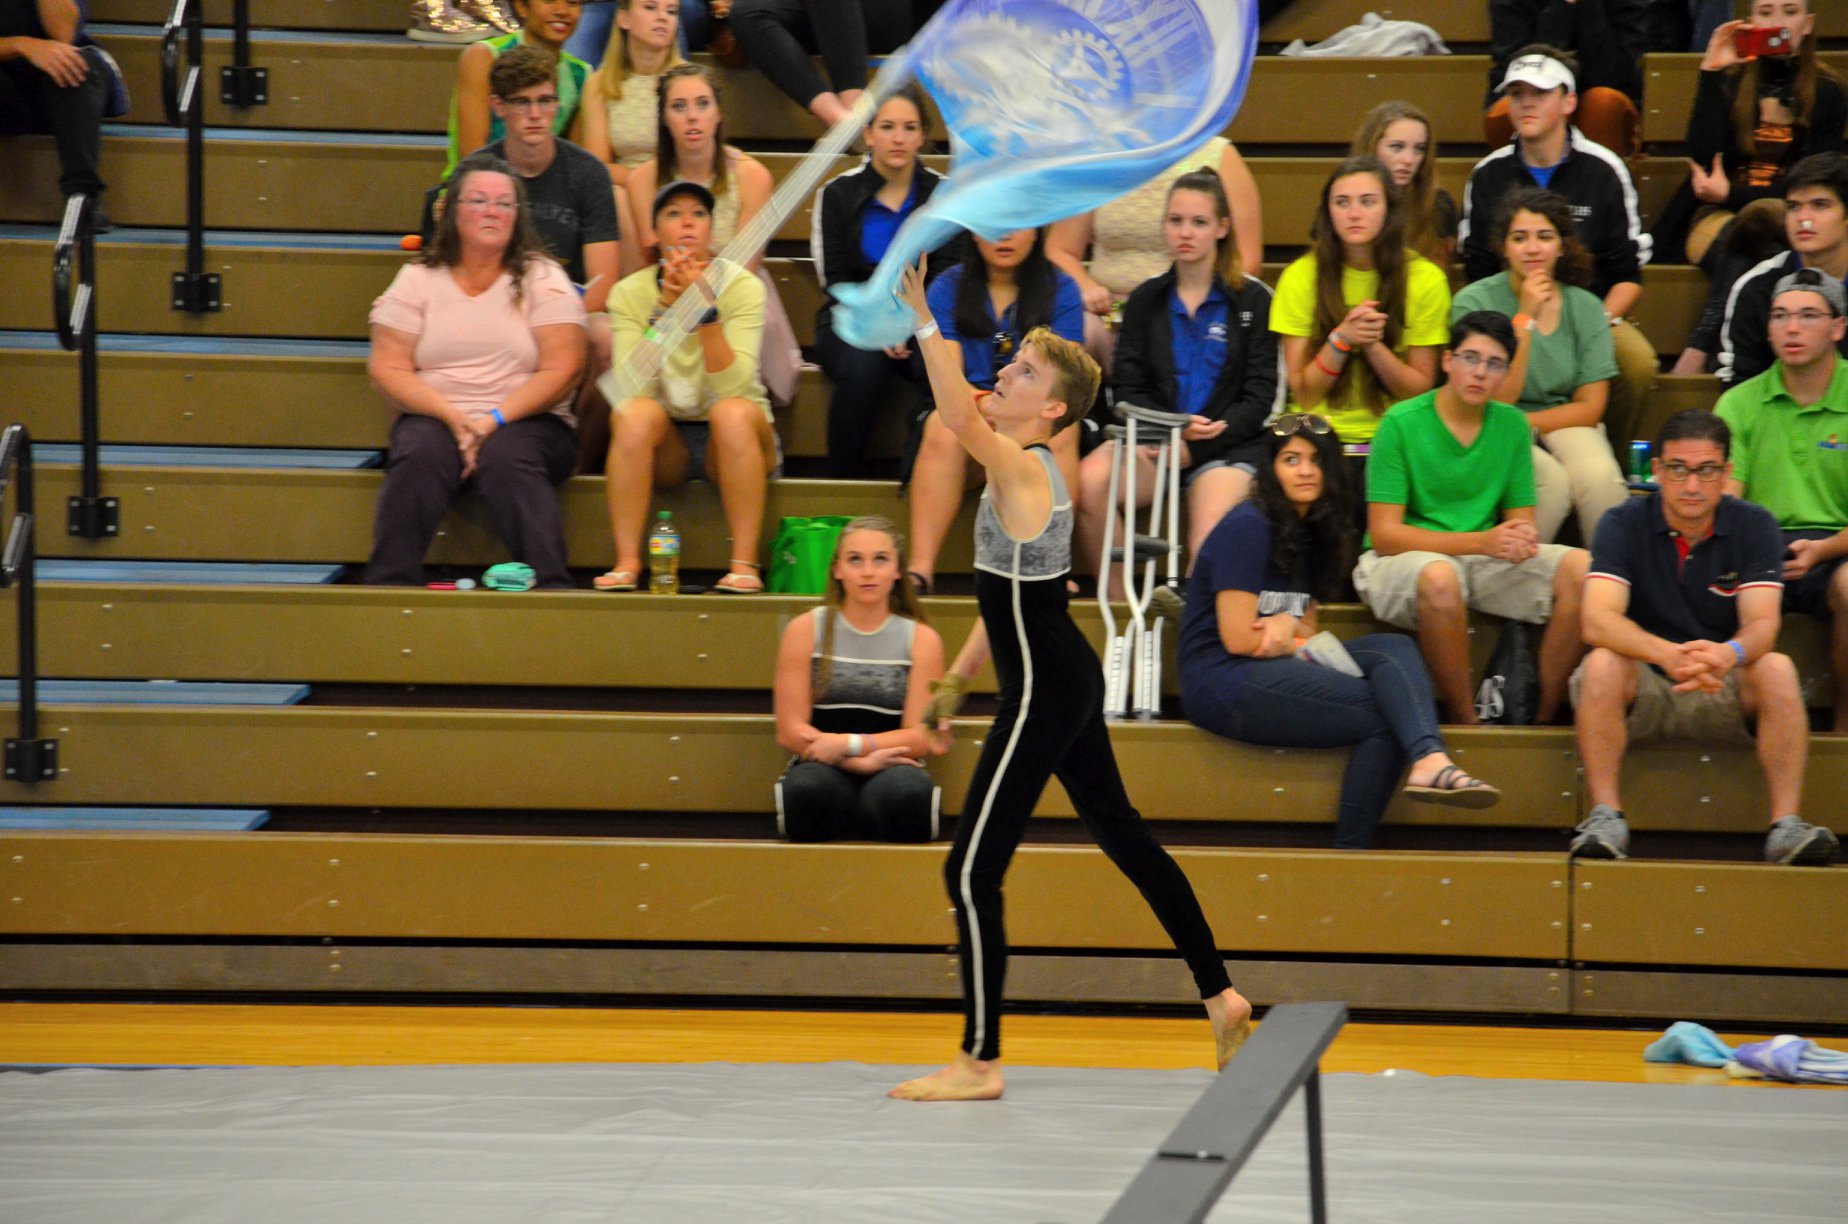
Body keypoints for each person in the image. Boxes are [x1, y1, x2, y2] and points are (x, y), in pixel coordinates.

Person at [887, 264, 1251, 1102]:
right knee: (1125, 839)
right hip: (1060, 675)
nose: (1004, 374)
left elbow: (952, 413)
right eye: (1011, 364)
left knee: (970, 872)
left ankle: (979, 1061)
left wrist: (922, 318)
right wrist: (957, 683)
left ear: (1053, 411)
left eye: (1022, 373)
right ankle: (1222, 996)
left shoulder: (1022, 468)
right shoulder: (1019, 471)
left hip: (1047, 691)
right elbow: (1014, 598)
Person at [1182, 415, 1500, 848]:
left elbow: (1305, 627)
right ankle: (1352, 850)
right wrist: (1287, 629)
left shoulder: (1314, 532)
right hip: (1222, 680)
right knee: (1390, 714)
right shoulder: (1249, 526)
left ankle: (1429, 758)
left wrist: (1285, 628)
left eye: (1316, 460)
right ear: (1271, 469)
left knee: (1391, 648)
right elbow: (1239, 639)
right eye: (1291, 460)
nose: (1306, 471)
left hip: (1272, 664)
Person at [1571, 409, 1840, 865]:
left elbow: (1763, 626)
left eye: (1707, 470)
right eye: (1678, 470)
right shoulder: (1621, 522)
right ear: (1657, 471)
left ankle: (1786, 826)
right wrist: (1665, 654)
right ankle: (1604, 818)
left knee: (1777, 666)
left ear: (1726, 473)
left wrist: (1727, 654)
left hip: (1723, 679)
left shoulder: (1755, 524)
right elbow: (1597, 620)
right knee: (1600, 663)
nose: (1692, 485)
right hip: (1647, 679)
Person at [1355, 312, 1591, 725]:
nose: (1480, 372)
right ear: (1447, 360)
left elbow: (1520, 521)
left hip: (1479, 558)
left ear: (1506, 374)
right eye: (1470, 358)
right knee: (1440, 577)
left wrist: (1519, 539)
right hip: (1401, 561)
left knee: (1583, 571)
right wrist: (1482, 542)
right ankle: (1467, 723)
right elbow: (1385, 535)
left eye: (1495, 364)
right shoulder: (1400, 422)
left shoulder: (1512, 425)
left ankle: (1541, 719)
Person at [366, 153, 589, 589]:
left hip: (531, 420)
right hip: (436, 416)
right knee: (419, 451)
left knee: (507, 456)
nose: (492, 211)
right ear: (453, 211)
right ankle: (389, 587)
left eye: (505, 204)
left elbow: (564, 369)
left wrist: (492, 421)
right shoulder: (418, 277)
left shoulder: (543, 276)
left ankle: (551, 589)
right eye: (479, 201)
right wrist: (453, 418)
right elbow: (386, 366)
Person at [1077, 169, 1280, 588]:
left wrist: (1195, 446)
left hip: (1228, 447)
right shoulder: (1145, 299)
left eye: (1199, 222)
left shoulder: (1254, 298)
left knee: (1208, 533)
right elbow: (1126, 391)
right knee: (1088, 482)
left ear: (1222, 227)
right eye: (1176, 221)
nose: (1185, 233)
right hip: (1156, 442)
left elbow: (1262, 398)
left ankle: (1191, 622)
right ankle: (1121, 607)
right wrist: (1170, 431)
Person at [1460, 47, 1656, 456]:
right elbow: (1478, 268)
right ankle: (1485, 446)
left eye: (1540, 92)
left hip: (1591, 311)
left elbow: (1627, 274)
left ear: (1569, 102)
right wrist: (1516, 319)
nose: (1526, 103)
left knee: (1637, 361)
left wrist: (1594, 324)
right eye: (1517, 93)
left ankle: (1611, 454)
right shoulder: (1488, 174)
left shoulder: (1604, 169)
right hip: (1506, 308)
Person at [596, 179, 773, 593]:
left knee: (731, 413)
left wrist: (705, 313)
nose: (688, 223)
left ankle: (744, 564)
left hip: (737, 435)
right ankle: (627, 562)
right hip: (667, 441)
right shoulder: (628, 293)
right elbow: (631, 390)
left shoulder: (744, 287)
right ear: (655, 233)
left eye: (698, 214)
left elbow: (734, 387)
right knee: (633, 414)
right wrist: (664, 311)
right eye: (674, 214)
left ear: (711, 229)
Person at [904, 226, 1086, 593]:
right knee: (944, 425)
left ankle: (1053, 564)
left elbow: (1064, 381)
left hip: (1029, 422)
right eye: (994, 225)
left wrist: (1011, 410)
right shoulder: (948, 286)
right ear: (974, 232)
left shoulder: (1061, 287)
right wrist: (987, 405)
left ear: (1037, 231)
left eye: (1016, 224)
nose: (1004, 236)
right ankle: (920, 569)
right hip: (966, 409)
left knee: (1065, 430)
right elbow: (949, 376)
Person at [1453, 188, 1626, 544]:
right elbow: (1496, 401)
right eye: (1520, 238)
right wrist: (1525, 317)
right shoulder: (1474, 301)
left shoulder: (1585, 306)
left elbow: (1591, 407)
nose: (1532, 249)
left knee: (1601, 478)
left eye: (1544, 237)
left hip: (1563, 419)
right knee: (1550, 482)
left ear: (1562, 246)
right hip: (1489, 423)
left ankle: (1607, 574)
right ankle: (1518, 571)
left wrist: (1527, 423)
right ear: (1504, 247)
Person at [1717, 269, 1848, 732]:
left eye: (1808, 315)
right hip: (1757, 544)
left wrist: (1824, 549)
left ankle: (1845, 729)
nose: (1792, 328)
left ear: (1838, 327)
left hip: (1838, 547)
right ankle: (1728, 725)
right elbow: (1725, 506)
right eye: (1780, 316)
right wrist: (1759, 556)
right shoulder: (1738, 403)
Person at [624, 62, 799, 406]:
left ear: (718, 113)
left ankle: (740, 408)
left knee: (747, 314)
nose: (692, 116)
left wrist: (697, 283)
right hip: (665, 292)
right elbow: (648, 264)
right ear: (664, 118)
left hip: (732, 293)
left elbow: (744, 269)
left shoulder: (752, 176)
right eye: (679, 106)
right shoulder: (641, 180)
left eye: (702, 104)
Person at [1271, 155, 1450, 480]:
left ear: (1390, 209)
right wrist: (1341, 340)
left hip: (1395, 437)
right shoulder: (1299, 277)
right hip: (1317, 438)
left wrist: (1371, 345)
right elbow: (1305, 393)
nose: (1354, 213)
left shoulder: (1426, 279)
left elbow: (1418, 393)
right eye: (1342, 202)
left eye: (1367, 202)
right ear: (1328, 212)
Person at [810, 85, 957, 478]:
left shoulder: (944, 194)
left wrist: (907, 322)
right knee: (864, 366)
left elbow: (946, 274)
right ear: (869, 134)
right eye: (887, 127)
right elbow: (835, 279)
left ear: (923, 136)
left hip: (926, 317)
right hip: (852, 318)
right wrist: (880, 324)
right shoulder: (837, 194)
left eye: (909, 128)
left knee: (943, 366)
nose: (898, 138)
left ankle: (922, 475)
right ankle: (842, 483)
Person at [772, 516, 946, 843]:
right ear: (837, 569)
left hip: (893, 764)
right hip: (821, 762)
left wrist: (850, 745)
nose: (868, 572)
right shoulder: (804, 630)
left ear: (898, 570)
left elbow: (921, 735)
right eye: (855, 560)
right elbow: (789, 729)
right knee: (808, 793)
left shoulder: (922, 639)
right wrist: (858, 763)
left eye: (880, 559)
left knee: (907, 798)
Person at [1046, 136, 1263, 371]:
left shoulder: (1218, 154)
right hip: (1109, 316)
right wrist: (1086, 287)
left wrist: (1189, 304)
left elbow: (1246, 261)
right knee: (1068, 341)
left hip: (1193, 314)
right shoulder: (1096, 158)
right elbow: (1060, 249)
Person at [1656, 1, 1843, 267]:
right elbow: (1703, 155)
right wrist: (1711, 72)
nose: (1777, 23)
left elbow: (1817, 180)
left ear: (1807, 24)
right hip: (1719, 214)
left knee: (1761, 230)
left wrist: (1731, 194)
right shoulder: (1730, 80)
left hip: (1795, 210)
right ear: (1751, 21)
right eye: (1765, 13)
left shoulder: (1828, 92)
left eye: (1790, 12)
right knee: (1751, 239)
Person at [480, 45, 626, 310]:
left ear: (557, 103)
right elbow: (459, 272)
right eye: (522, 102)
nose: (535, 115)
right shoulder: (475, 175)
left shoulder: (589, 173)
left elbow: (603, 284)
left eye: (545, 101)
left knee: (603, 329)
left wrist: (556, 324)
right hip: (493, 310)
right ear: (498, 106)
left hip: (570, 311)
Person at [1718, 152, 1848, 387]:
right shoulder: (1756, 287)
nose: (1804, 219)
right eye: (1793, 207)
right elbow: (1741, 384)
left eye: (1820, 205)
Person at [444, 0, 591, 182]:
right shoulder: (483, 57)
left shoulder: (581, 74)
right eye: (549, 1)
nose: (562, 11)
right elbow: (471, 157)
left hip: (544, 188)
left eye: (573, 2)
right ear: (521, 7)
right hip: (477, 186)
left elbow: (574, 161)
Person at [0, 0, 120, 217]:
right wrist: (21, 45)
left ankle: (82, 199)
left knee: (75, 64)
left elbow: (62, 35)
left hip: (53, 96)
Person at [1486, 1, 1647, 159]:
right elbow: (1518, 72)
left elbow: (1613, 77)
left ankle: (1603, 173)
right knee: (1507, 108)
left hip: (1603, 92)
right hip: (1532, 89)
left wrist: (1589, 7)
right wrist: (1561, 8)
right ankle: (1517, 175)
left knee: (1602, 103)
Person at [727, 0, 914, 129]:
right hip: (807, 14)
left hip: (874, 13)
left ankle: (857, 108)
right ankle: (842, 122)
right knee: (745, 12)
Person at [578, 0, 687, 189]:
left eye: (671, 11)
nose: (663, 17)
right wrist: (642, 184)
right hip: (623, 189)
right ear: (624, 19)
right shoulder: (598, 84)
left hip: (678, 188)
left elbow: (698, 162)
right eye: (650, 7)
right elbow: (598, 166)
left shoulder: (691, 81)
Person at [1351, 100, 1458, 270]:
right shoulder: (1343, 200)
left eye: (1419, 149)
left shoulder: (1437, 203)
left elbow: (1438, 277)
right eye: (1397, 147)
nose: (1409, 160)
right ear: (1372, 147)